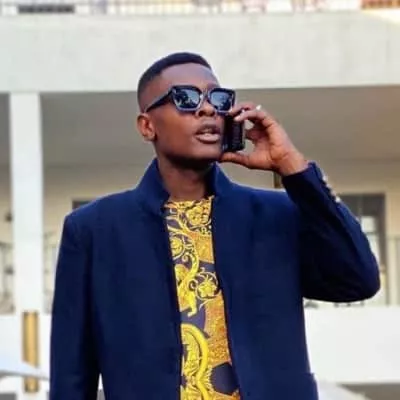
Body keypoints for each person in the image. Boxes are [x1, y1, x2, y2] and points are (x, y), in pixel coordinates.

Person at [50, 52, 380, 400]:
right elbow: (71, 376)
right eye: (186, 98)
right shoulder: (95, 231)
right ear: (147, 126)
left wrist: (293, 169)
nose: (207, 109)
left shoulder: (276, 215)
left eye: (218, 99)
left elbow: (357, 280)